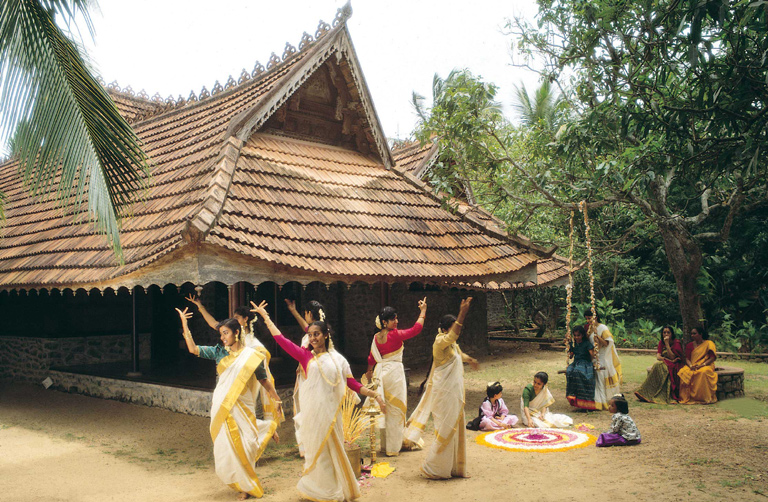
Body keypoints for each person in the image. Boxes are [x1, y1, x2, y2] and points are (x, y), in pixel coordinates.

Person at [250, 300, 385, 502]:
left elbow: (352, 384)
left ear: (326, 335)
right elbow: (282, 340)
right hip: (314, 413)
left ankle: (333, 488)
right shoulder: (306, 357)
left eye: (317, 334)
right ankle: (319, 490)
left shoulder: (339, 359)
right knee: (317, 453)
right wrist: (266, 318)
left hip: (332, 415)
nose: (313, 338)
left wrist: (374, 395)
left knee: (332, 452)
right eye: (310, 335)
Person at [176, 308, 281, 500]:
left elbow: (264, 380)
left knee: (249, 443)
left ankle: (247, 478)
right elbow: (193, 349)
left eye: (226, 333)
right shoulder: (218, 352)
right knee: (229, 445)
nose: (223, 337)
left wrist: (276, 398)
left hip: (245, 405)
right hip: (224, 405)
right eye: (221, 334)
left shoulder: (252, 355)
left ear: (236, 332)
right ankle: (245, 485)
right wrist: (184, 324)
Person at [404, 297, 478, 480]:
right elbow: (454, 335)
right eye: (452, 327)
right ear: (445, 329)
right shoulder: (440, 342)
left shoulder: (452, 345)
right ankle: (433, 468)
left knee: (456, 428)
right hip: (444, 395)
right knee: (445, 429)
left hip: (454, 395)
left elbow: (459, 354)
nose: (454, 330)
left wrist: (471, 360)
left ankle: (454, 468)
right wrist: (462, 313)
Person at [363, 299, 427, 456]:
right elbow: (416, 329)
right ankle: (393, 447)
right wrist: (423, 311)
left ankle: (385, 446)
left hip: (381, 374)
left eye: (396, 318)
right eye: (393, 319)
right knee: (396, 410)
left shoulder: (376, 338)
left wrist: (369, 372)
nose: (397, 321)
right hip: (395, 374)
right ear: (384, 322)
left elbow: (371, 358)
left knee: (386, 410)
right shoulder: (396, 335)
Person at [285, 298, 326, 457]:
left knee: (307, 410)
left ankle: (309, 446)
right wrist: (293, 311)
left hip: (309, 377)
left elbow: (309, 354)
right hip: (312, 376)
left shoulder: (312, 336)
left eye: (305, 314)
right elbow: (307, 327)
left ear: (309, 313)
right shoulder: (321, 332)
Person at [634, 326, 686, 403]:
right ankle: (645, 393)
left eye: (668, 332)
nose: (666, 334)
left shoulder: (676, 343)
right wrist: (666, 359)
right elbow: (658, 356)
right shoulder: (661, 342)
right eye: (664, 332)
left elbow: (673, 357)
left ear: (672, 334)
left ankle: (663, 394)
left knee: (661, 368)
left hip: (675, 365)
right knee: (657, 365)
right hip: (665, 362)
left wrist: (667, 344)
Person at [584, 310, 622, 410]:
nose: (588, 320)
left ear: (595, 317)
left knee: (601, 378)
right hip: (594, 356)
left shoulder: (603, 328)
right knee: (596, 380)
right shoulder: (589, 329)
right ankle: (597, 401)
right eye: (587, 318)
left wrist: (598, 337)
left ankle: (606, 402)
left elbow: (607, 343)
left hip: (603, 357)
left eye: (589, 318)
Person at [677, 326, 718, 404]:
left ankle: (703, 397)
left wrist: (702, 365)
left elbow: (712, 358)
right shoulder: (689, 345)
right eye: (691, 334)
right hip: (693, 365)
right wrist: (690, 365)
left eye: (694, 333)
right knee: (683, 372)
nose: (692, 335)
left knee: (702, 372)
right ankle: (688, 397)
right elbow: (687, 359)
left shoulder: (709, 343)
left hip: (706, 365)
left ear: (701, 334)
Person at [565, 325, 596, 409]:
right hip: (576, 363)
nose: (576, 337)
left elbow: (592, 355)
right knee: (569, 371)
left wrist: (595, 362)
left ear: (582, 335)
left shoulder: (586, 344)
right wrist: (569, 347)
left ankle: (583, 398)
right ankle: (572, 394)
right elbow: (571, 356)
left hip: (585, 363)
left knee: (577, 372)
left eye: (578, 335)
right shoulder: (574, 344)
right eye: (574, 335)